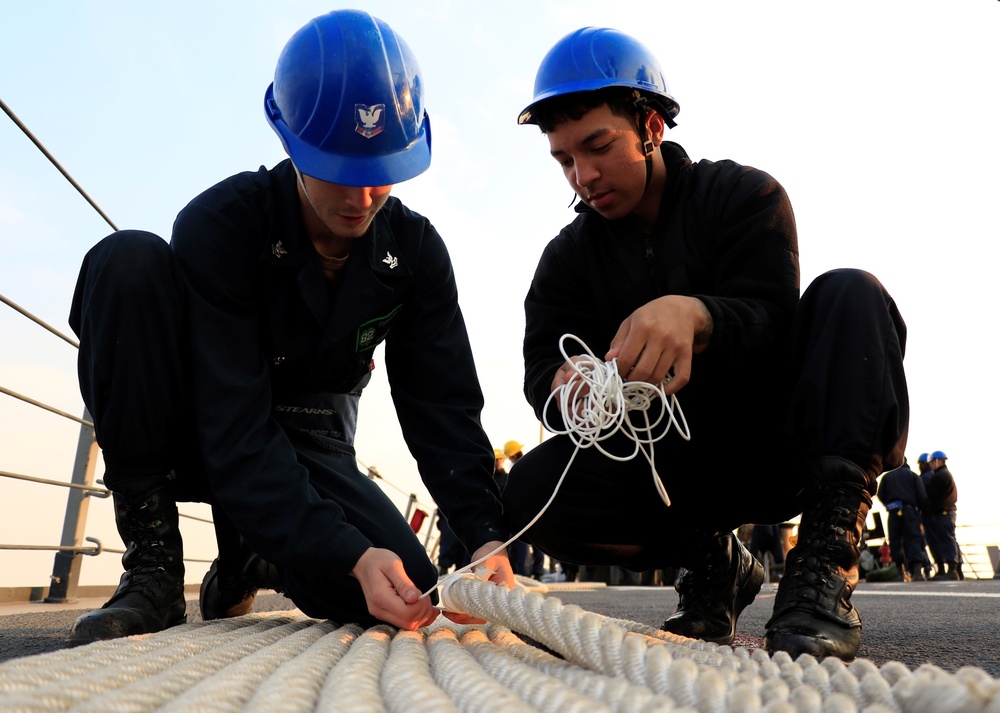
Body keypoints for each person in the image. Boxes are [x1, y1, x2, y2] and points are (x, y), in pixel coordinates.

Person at [65, 10, 512, 646]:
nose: (360, 199)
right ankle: (154, 569)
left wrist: (483, 535)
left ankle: (256, 552)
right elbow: (234, 425)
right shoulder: (222, 226)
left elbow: (442, 407)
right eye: (337, 168)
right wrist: (343, 550)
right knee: (127, 261)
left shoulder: (415, 253)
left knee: (405, 585)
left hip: (312, 442)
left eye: (378, 169)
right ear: (290, 139)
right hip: (206, 428)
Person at [504, 26, 908, 661]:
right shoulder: (566, 261)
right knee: (527, 493)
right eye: (564, 159)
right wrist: (566, 386)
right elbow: (538, 375)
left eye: (599, 146)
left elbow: (779, 321)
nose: (583, 175)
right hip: (675, 476)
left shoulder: (743, 195)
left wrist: (697, 314)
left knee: (851, 294)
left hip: (779, 450)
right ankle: (716, 564)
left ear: (650, 126)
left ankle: (825, 564)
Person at [876, 458, 931, 581]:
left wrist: (889, 505)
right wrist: (919, 510)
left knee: (895, 540)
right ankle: (917, 572)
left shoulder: (887, 477)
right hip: (910, 511)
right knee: (913, 539)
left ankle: (900, 572)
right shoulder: (913, 476)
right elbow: (922, 496)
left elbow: (880, 494)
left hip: (893, 511)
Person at [925, 450, 961, 580]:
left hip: (943, 514)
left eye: (931, 463)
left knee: (946, 540)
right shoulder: (944, 474)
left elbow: (928, 492)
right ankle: (947, 570)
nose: (930, 466)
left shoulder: (940, 476)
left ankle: (951, 570)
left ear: (937, 461)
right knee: (943, 540)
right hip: (945, 514)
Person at [916, 451, 942, 576]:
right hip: (935, 515)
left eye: (921, 463)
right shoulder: (933, 475)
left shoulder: (924, 478)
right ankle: (945, 568)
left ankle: (934, 568)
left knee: (928, 541)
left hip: (926, 516)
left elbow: (923, 498)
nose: (919, 466)